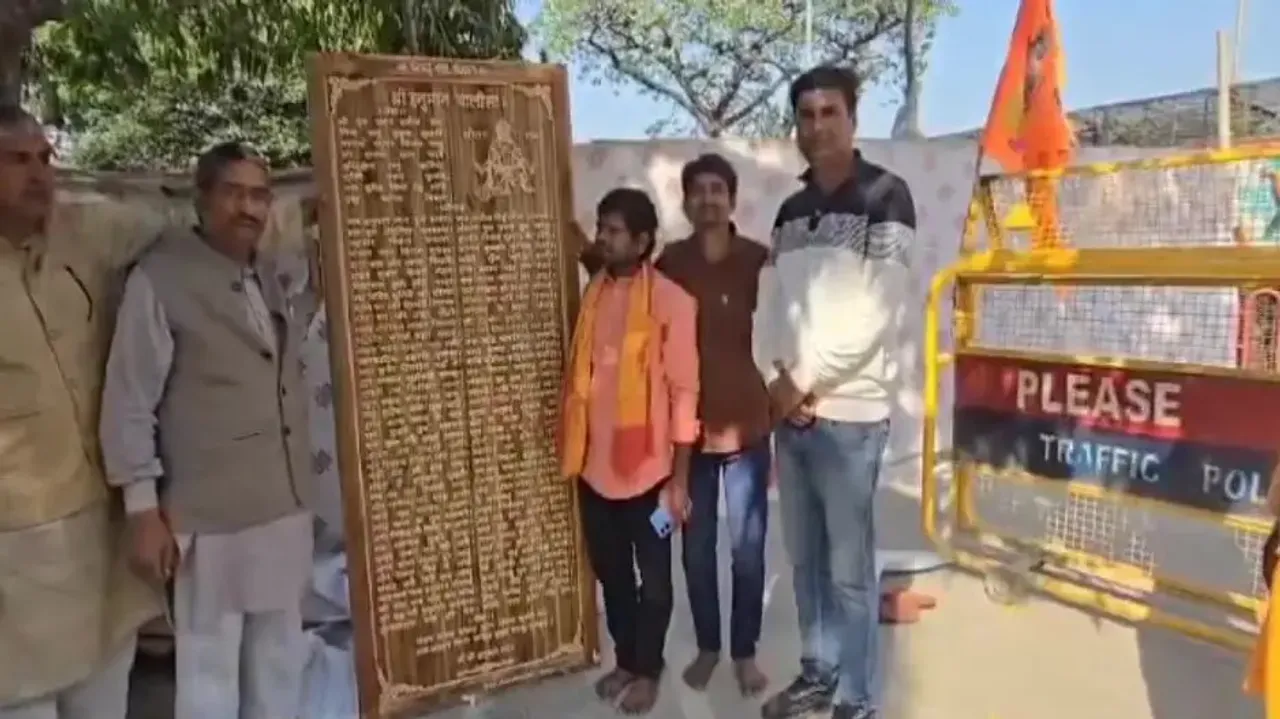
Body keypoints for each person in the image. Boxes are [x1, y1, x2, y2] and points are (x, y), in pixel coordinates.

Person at [99, 141, 315, 719]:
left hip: (281, 504)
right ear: (202, 199)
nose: (248, 208)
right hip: (207, 520)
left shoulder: (270, 276)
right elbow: (129, 400)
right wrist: (142, 510)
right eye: (234, 193)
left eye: (259, 195)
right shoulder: (160, 279)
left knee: (277, 665)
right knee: (209, 678)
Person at [754, 66, 916, 719]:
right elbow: (769, 307)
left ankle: (857, 697)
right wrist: (774, 379)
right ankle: (818, 674)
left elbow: (878, 309)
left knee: (850, 572)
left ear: (852, 117)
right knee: (805, 565)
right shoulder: (791, 212)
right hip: (790, 415)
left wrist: (802, 381)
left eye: (830, 112)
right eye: (807, 114)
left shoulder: (887, 195)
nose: (817, 125)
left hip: (849, 419)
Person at [0, 105, 161, 719]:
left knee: (105, 691)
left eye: (44, 158)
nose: (39, 174)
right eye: (18, 160)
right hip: (17, 543)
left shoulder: (84, 231)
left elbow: (180, 224)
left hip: (100, 525)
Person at [561, 187, 699, 714]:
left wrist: (679, 479)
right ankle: (625, 659)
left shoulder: (672, 302)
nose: (604, 238)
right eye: (602, 228)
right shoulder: (593, 291)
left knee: (656, 584)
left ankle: (649, 669)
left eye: (615, 231)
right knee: (612, 575)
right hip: (594, 467)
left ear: (643, 242)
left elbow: (685, 391)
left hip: (651, 474)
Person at [653, 154, 773, 695]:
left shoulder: (757, 260)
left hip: (748, 427)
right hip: (690, 434)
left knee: (748, 550)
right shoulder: (670, 263)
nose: (708, 198)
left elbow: (780, 329)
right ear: (685, 201)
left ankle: (744, 652)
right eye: (697, 190)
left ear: (732, 198)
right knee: (696, 550)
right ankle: (708, 646)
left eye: (717, 189)